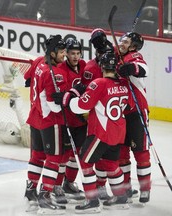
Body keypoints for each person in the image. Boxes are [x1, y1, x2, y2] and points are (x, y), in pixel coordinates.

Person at [62, 52, 133, 213]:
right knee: (111, 164)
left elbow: (81, 106)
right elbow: (128, 106)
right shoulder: (124, 84)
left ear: (101, 66)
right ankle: (121, 197)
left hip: (101, 133)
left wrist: (69, 98)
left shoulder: (99, 83)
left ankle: (92, 200)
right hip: (117, 133)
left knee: (85, 162)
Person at [24, 34, 67, 215]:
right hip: (51, 121)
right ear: (53, 52)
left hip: (35, 118)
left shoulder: (38, 61)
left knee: (37, 156)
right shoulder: (54, 73)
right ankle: (45, 194)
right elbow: (56, 108)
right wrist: (68, 98)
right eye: (62, 52)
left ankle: (31, 189)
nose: (64, 56)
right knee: (54, 158)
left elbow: (27, 78)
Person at [117, 32, 151, 203]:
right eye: (121, 40)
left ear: (133, 47)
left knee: (141, 152)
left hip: (137, 112)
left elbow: (144, 69)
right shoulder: (117, 55)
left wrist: (132, 68)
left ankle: (145, 190)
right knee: (122, 153)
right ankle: (125, 188)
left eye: (125, 41)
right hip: (120, 113)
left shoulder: (134, 56)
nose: (121, 43)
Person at [54, 37, 86, 203]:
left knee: (77, 154)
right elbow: (60, 96)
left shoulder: (85, 66)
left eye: (77, 53)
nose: (75, 56)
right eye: (72, 53)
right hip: (66, 119)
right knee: (64, 155)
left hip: (81, 120)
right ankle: (57, 185)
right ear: (65, 53)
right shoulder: (60, 69)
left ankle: (68, 183)